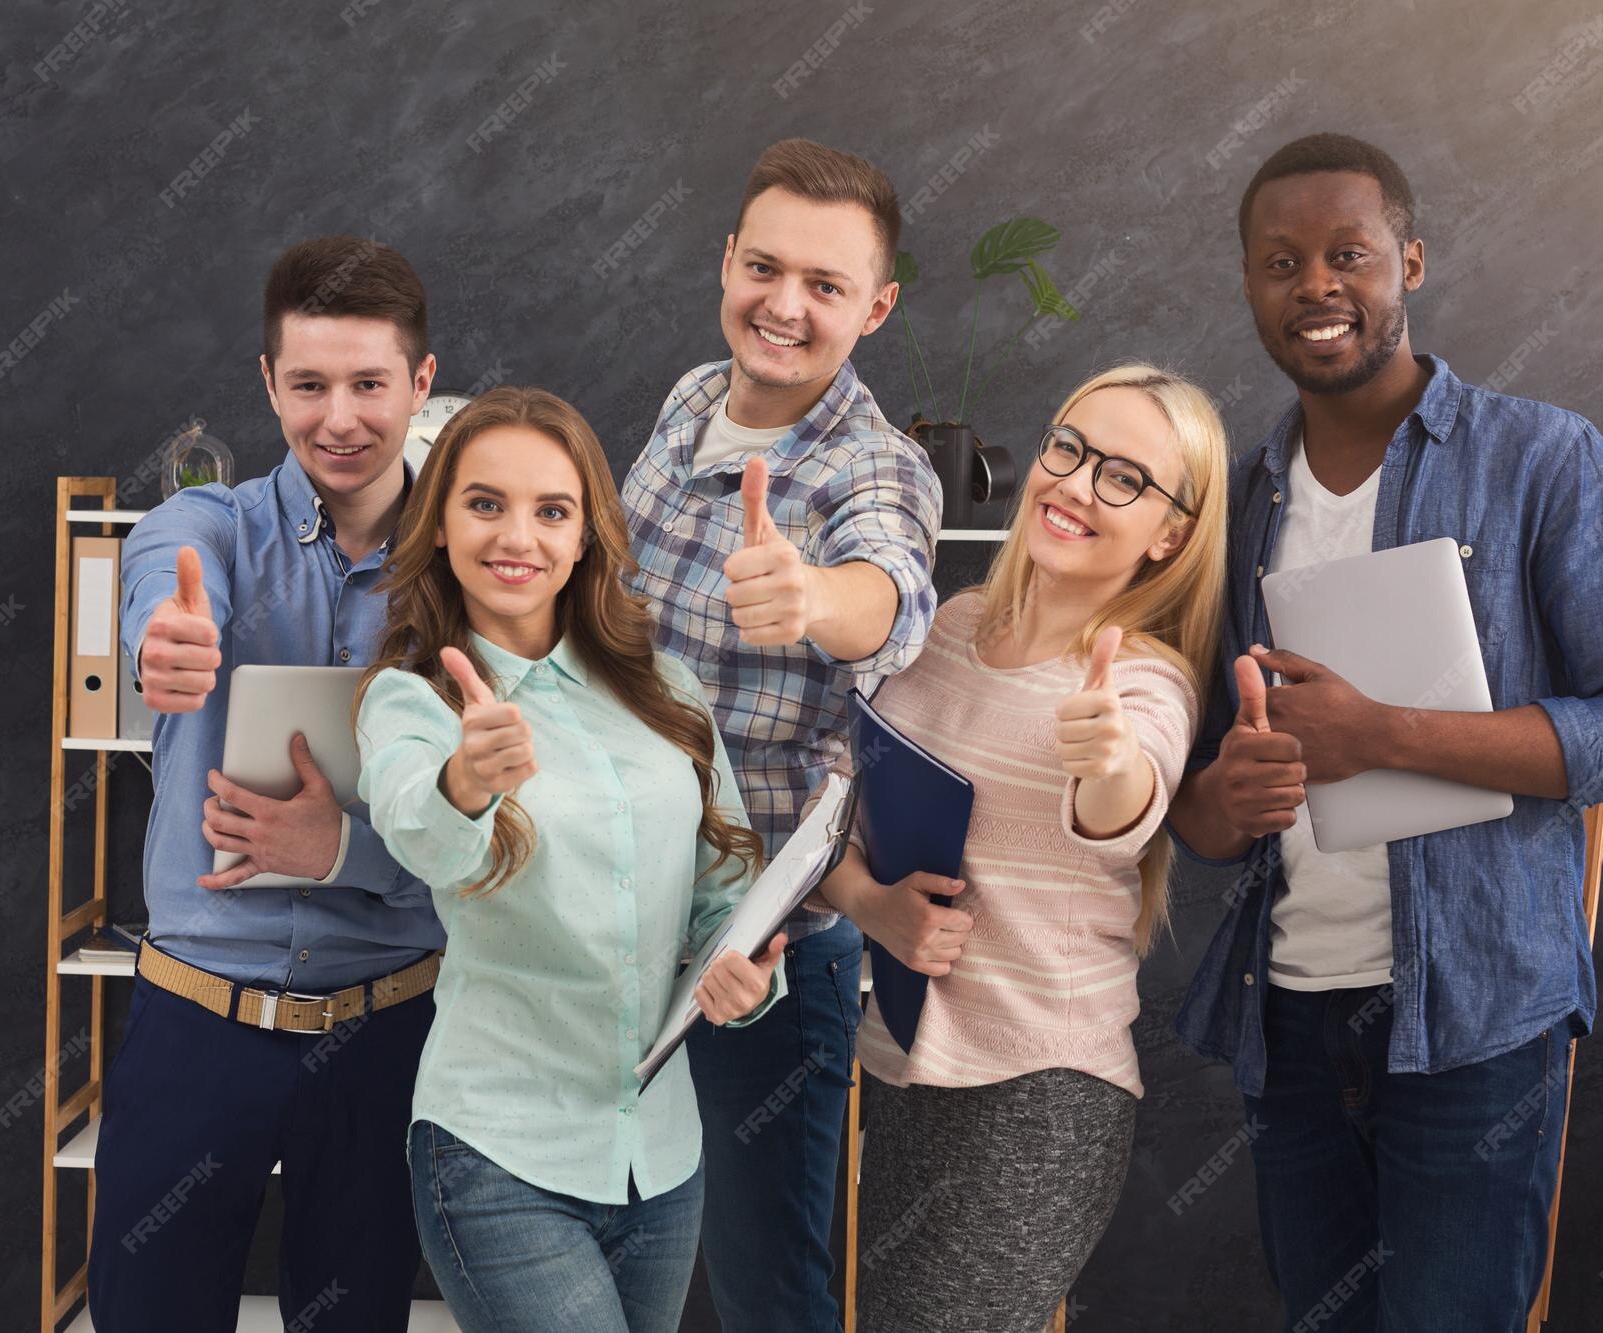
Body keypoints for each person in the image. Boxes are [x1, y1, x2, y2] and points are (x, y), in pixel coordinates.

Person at [1166, 133, 1603, 1332]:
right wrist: (1227, 794)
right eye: (1279, 260)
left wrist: (1384, 734)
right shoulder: (1239, 500)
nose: (1314, 284)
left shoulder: (1541, 460)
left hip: (1474, 1025)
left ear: (1406, 261)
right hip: (1291, 1021)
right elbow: (1201, 811)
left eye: (1346, 253)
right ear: (1248, 286)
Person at [356, 385, 787, 1333]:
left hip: (662, 1156)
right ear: (438, 526)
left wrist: (744, 967)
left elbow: (726, 889)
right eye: (484, 503)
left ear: (587, 534)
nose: (519, 536)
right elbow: (416, 829)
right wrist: (468, 781)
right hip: (496, 1151)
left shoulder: (664, 689)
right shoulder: (413, 699)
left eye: (552, 510)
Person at [810, 365, 1228, 1330]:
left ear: (1170, 533)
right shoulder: (950, 627)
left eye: (1125, 478)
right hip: (904, 1068)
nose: (1077, 485)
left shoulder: (1142, 684)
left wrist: (1110, 761)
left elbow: (1129, 801)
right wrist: (871, 904)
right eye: (1069, 449)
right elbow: (840, 821)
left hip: (1040, 1099)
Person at [89, 236, 445, 1332]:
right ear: (266, 383)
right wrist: (165, 637)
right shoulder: (211, 531)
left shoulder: (480, 564)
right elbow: (158, 562)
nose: (338, 417)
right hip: (198, 1026)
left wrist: (342, 849)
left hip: (390, 1034)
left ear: (420, 383)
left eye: (369, 384)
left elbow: (498, 825)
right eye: (307, 385)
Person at [619, 137, 942, 1331]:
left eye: (826, 286)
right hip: (625, 915)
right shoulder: (690, 400)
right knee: (635, 1242)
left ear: (877, 305)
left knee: (761, 1284)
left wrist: (812, 599)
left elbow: (890, 593)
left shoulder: (874, 467)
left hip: (762, 952)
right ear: (726, 261)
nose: (784, 306)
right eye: (765, 268)